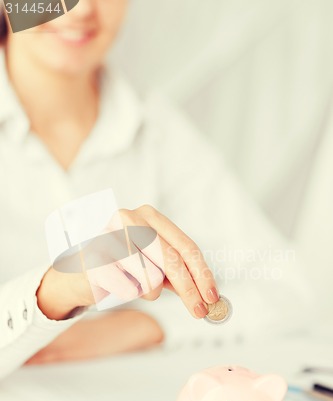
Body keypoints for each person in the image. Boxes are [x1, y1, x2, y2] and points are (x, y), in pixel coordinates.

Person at [0, 0, 312, 378]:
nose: (80, 12)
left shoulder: (157, 129)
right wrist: (55, 293)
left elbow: (290, 289)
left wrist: (143, 326)